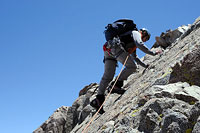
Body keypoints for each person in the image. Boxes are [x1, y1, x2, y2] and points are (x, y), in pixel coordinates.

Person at [90, 20, 161, 114]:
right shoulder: (136, 33)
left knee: (108, 76)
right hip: (116, 49)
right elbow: (140, 44)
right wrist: (153, 53)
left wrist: (145, 66)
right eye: (146, 38)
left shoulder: (131, 41)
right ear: (143, 33)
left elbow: (135, 57)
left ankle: (98, 100)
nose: (145, 40)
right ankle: (116, 85)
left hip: (109, 50)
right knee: (132, 67)